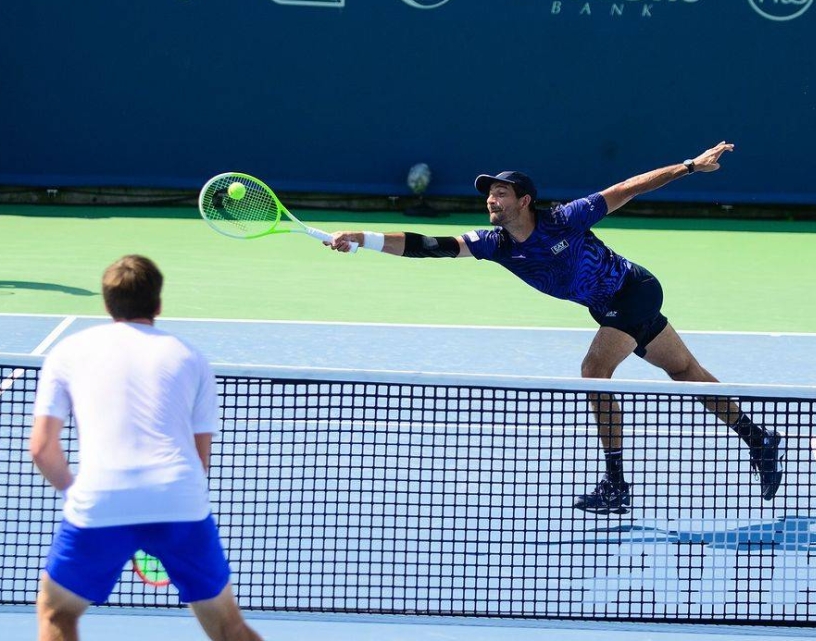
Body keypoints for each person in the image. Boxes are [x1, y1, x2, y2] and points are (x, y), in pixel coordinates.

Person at [325, 142, 783, 515]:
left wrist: (689, 166)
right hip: (608, 307)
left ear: (525, 201)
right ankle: (758, 439)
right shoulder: (495, 245)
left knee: (593, 370)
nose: (492, 199)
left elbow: (628, 187)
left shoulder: (565, 218)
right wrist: (362, 239)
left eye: (502, 193)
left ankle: (616, 484)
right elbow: (429, 245)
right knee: (684, 372)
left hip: (634, 290)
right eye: (489, 193)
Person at [30, 255, 262, 641]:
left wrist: (80, 493)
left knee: (57, 614)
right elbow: (198, 461)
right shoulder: (191, 357)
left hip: (101, 500)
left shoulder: (67, 352)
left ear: (107, 304)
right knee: (228, 627)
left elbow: (41, 449)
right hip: (180, 499)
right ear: (158, 304)